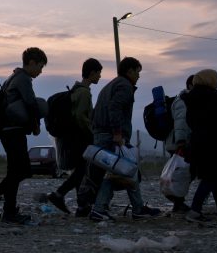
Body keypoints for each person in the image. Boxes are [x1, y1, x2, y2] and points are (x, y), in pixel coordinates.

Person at [78, 56, 161, 222]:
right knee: (119, 172)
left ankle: (136, 208)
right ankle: (101, 209)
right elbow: (114, 108)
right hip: (112, 136)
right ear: (129, 71)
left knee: (122, 171)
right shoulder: (124, 86)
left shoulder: (111, 85)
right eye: (137, 72)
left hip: (103, 134)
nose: (139, 76)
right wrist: (117, 133)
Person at [0, 47, 48, 225]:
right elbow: (31, 103)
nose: (41, 71)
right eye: (40, 66)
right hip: (13, 131)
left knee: (16, 170)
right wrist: (36, 125)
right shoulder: (23, 79)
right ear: (31, 63)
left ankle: (8, 209)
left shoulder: (12, 77)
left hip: (8, 130)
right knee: (21, 170)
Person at [46, 58, 103, 214]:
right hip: (79, 137)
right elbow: (80, 116)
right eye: (98, 73)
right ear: (92, 73)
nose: (99, 76)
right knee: (82, 170)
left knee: (80, 170)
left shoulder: (76, 90)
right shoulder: (84, 93)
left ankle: (81, 206)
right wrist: (91, 134)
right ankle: (59, 194)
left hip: (72, 137)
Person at [183, 69, 217, 222]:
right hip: (213, 143)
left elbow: (190, 122)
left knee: (215, 177)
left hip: (198, 143)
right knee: (211, 177)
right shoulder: (214, 96)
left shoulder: (191, 98)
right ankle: (195, 211)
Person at [163, 75, 194, 214]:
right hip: (178, 143)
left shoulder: (185, 99)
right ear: (190, 86)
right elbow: (181, 122)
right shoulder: (183, 100)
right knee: (181, 173)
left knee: (182, 172)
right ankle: (178, 201)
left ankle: (178, 202)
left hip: (178, 142)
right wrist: (181, 142)